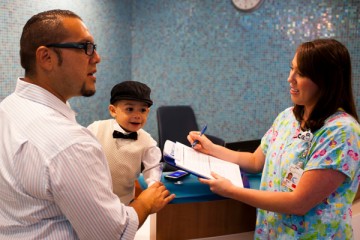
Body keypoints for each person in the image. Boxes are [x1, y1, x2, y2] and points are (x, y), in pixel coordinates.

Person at [0, 9, 174, 240]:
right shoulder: (72, 144)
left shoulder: (7, 108)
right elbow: (111, 234)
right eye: (85, 47)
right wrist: (144, 203)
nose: (97, 58)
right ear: (46, 57)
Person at [188, 39, 360, 239]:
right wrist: (211, 148)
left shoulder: (342, 132)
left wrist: (232, 191)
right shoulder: (288, 117)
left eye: (301, 73)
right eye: (291, 69)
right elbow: (255, 161)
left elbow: (299, 203)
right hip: (272, 233)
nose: (290, 78)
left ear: (326, 80)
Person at [88, 80, 162, 205]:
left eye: (142, 110)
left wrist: (153, 187)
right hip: (93, 197)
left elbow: (153, 168)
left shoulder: (147, 142)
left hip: (125, 202)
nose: (137, 115)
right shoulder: (96, 129)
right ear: (113, 110)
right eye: (130, 109)